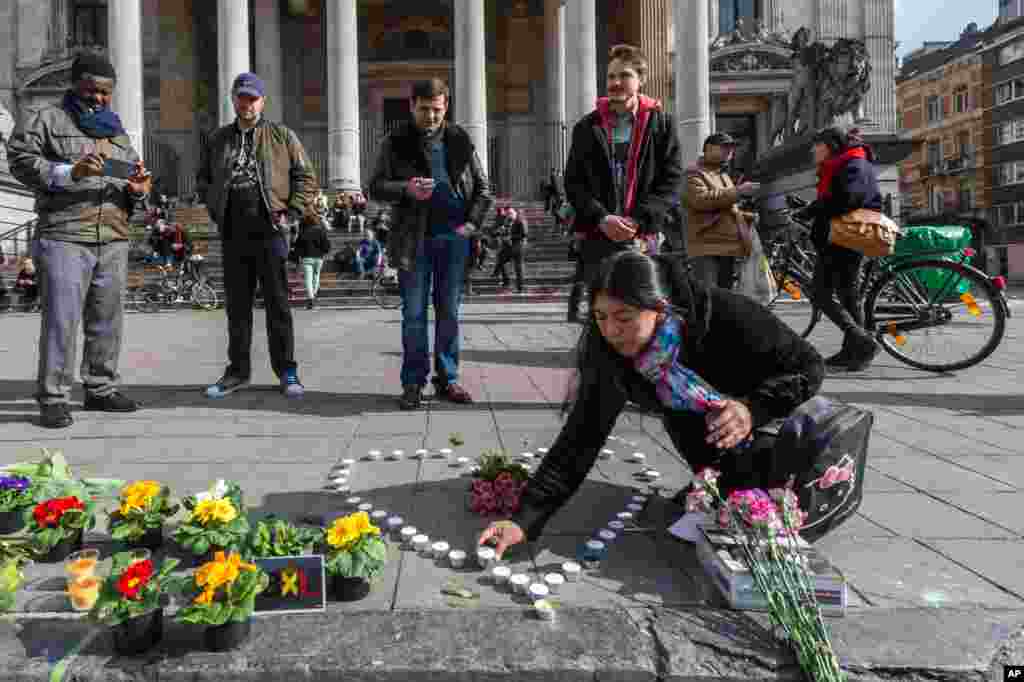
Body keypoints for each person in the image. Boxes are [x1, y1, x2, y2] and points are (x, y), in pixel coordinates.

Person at [476, 250, 825, 556]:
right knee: (725, 498)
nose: (611, 330)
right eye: (600, 316)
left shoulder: (727, 315)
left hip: (768, 414)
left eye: (624, 317)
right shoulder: (609, 352)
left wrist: (751, 408)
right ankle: (721, 478)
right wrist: (525, 519)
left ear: (658, 309)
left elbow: (809, 365)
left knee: (767, 501)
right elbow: (581, 437)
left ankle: (744, 472)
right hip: (702, 426)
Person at [7, 54, 152, 428]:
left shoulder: (116, 131)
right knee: (62, 320)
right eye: (92, 90)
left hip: (113, 236)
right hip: (65, 234)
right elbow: (20, 161)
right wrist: (69, 171)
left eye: (106, 92)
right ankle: (53, 397)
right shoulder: (47, 119)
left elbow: (130, 178)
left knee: (107, 319)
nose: (99, 98)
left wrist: (139, 189)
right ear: (74, 85)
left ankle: (100, 388)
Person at [369, 78, 494, 410]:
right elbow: (375, 187)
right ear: (412, 106)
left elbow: (483, 188)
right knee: (413, 314)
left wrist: (471, 225)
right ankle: (413, 383)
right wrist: (406, 189)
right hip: (413, 239)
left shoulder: (459, 140)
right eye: (424, 109)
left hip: (454, 239)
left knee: (449, 313)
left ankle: (448, 379)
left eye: (437, 110)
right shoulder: (394, 142)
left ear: (446, 106)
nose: (431, 116)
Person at [194, 71, 317, 399]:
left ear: (263, 101)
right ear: (233, 99)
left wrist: (292, 213)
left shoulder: (281, 136)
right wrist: (215, 207)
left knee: (278, 305)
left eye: (252, 98)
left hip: (270, 229)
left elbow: (305, 176)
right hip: (234, 230)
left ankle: (287, 371)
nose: (246, 104)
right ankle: (237, 371)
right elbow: (202, 179)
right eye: (241, 97)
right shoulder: (218, 139)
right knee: (237, 307)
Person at [564, 44, 683, 290]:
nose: (616, 82)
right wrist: (602, 218)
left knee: (644, 308)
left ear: (641, 80)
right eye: (611, 76)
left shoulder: (661, 125)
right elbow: (574, 183)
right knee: (602, 312)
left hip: (644, 236)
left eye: (625, 75)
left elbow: (671, 181)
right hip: (598, 236)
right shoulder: (587, 127)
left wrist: (637, 220)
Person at [797, 126, 882, 372]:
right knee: (848, 296)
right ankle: (853, 352)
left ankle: (863, 342)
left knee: (820, 294)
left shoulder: (851, 164)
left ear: (832, 145)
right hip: (844, 238)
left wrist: (814, 210)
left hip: (842, 239)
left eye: (818, 144)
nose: (814, 149)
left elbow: (847, 198)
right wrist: (811, 208)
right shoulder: (848, 163)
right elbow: (839, 196)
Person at [685, 132, 760, 290]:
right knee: (709, 298)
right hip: (706, 247)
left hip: (727, 247)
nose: (730, 152)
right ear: (708, 148)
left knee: (724, 300)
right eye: (725, 147)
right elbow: (700, 200)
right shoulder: (693, 173)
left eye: (732, 148)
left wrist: (747, 217)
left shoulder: (723, 175)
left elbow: (725, 207)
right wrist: (739, 191)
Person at [292, 208, 332, 309]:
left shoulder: (303, 232)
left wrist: (297, 257)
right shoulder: (320, 231)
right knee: (316, 276)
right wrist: (323, 252)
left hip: (306, 258)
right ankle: (313, 296)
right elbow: (327, 245)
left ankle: (311, 298)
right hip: (319, 258)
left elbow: (297, 246)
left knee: (308, 280)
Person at [491, 207, 528, 293]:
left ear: (515, 213)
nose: (509, 215)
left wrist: (510, 237)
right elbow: (504, 231)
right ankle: (506, 281)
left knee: (518, 267)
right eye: (508, 214)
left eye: (510, 213)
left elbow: (524, 234)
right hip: (512, 246)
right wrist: (499, 233)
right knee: (501, 258)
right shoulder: (511, 222)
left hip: (518, 246)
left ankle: (520, 288)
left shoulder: (521, 220)